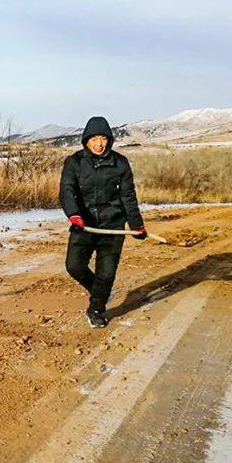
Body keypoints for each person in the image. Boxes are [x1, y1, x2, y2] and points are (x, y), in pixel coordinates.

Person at [59, 116, 146, 328]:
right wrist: (74, 214)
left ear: (110, 139)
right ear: (86, 140)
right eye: (94, 139)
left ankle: (96, 308)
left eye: (104, 138)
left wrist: (136, 224)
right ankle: (100, 290)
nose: (99, 144)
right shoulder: (74, 162)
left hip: (112, 225)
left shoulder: (120, 163)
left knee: (106, 273)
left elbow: (128, 196)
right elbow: (67, 190)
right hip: (84, 224)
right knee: (74, 266)